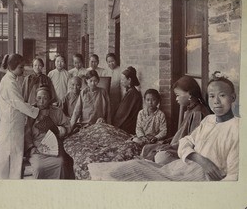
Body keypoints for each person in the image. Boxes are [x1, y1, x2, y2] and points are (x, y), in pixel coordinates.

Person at [88, 73, 239, 181]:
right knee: (132, 166)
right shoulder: (209, 120)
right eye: (212, 96)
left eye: (222, 95)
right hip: (187, 164)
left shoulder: (237, 128)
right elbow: (187, 141)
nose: (216, 101)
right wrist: (199, 158)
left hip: (195, 175)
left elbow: (233, 176)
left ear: (233, 97)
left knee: (136, 171)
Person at [141, 76, 209, 165]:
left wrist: (171, 147)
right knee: (147, 148)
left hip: (186, 151)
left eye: (178, 95)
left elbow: (192, 142)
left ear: (190, 94)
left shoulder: (197, 113)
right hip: (178, 146)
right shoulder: (190, 110)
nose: (176, 99)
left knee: (161, 157)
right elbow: (181, 135)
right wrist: (168, 142)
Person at [0, 54, 40, 179]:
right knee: (11, 155)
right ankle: (6, 183)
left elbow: (19, 101)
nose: (23, 70)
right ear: (11, 67)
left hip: (14, 123)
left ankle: (10, 180)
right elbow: (19, 103)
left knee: (13, 154)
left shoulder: (13, 79)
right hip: (11, 125)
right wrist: (36, 111)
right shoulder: (9, 83)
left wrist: (31, 107)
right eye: (21, 67)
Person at [24, 86, 74, 179]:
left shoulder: (57, 111)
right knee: (39, 167)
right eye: (39, 98)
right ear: (35, 99)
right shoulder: (31, 112)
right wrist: (31, 148)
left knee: (60, 163)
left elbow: (67, 127)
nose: (42, 101)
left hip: (54, 148)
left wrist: (61, 130)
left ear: (50, 100)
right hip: (37, 148)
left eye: (45, 98)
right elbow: (26, 133)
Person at [112, 66, 142, 135]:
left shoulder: (133, 94)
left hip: (127, 126)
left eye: (123, 79)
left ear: (129, 80)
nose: (121, 82)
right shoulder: (130, 91)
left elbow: (122, 113)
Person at [104, 53, 122, 119]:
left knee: (115, 113)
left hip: (116, 96)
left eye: (112, 61)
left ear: (116, 60)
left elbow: (122, 86)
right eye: (109, 62)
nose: (111, 63)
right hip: (106, 96)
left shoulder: (120, 70)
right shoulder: (105, 71)